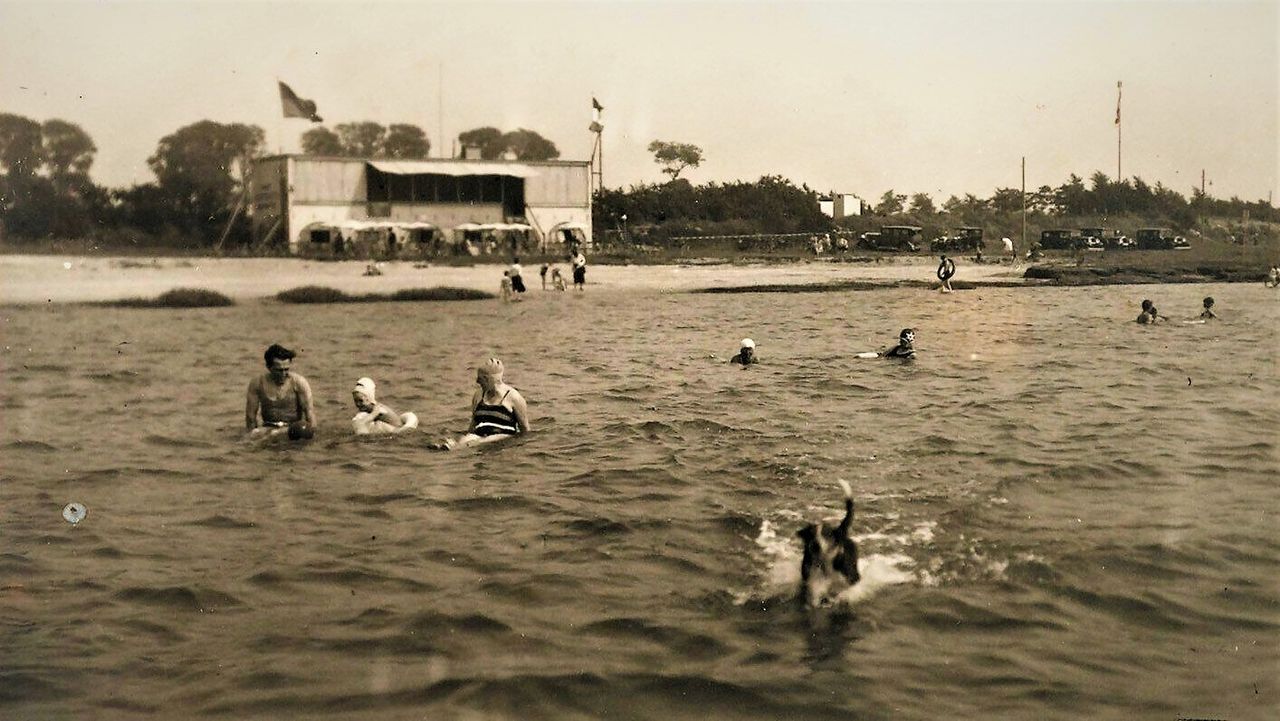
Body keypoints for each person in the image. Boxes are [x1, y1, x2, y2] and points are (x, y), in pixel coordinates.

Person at [440, 358, 530, 450]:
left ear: (489, 379)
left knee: (482, 440)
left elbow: (525, 430)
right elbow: (473, 426)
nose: (477, 382)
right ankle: (452, 447)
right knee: (467, 439)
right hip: (479, 438)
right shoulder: (478, 395)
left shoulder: (514, 397)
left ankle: (455, 448)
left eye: (480, 378)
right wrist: (464, 439)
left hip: (502, 439)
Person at [245, 344, 316, 439]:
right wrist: (251, 437)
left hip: (293, 429)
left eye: (286, 369)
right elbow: (250, 417)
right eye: (279, 370)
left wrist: (312, 436)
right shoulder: (257, 383)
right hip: (268, 428)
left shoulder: (298, 382)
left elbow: (309, 413)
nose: (283, 374)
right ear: (268, 367)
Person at [351, 377, 418, 435]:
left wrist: (374, 414)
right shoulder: (368, 409)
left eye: (361, 401)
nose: (358, 404)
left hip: (399, 431)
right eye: (355, 401)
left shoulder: (378, 409)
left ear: (369, 399)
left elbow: (361, 429)